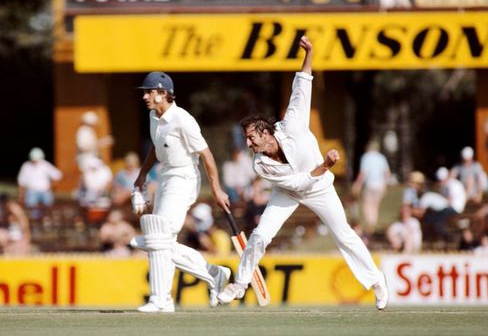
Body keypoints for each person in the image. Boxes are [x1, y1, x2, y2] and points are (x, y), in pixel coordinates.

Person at [217, 36, 388, 310]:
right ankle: (239, 284)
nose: (248, 144)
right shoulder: (260, 164)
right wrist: (326, 165)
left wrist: (309, 52)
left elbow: (302, 85)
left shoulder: (293, 123)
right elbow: (296, 181)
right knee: (260, 235)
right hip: (288, 192)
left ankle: (376, 282)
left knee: (343, 233)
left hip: (320, 188)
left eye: (250, 138)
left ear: (264, 132)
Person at [129, 71, 231, 313]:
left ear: (163, 93)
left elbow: (206, 155)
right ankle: (214, 273)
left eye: (150, 91)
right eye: (145, 92)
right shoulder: (154, 116)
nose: (145, 96)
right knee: (163, 242)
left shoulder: (182, 119)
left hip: (184, 177)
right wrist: (142, 174)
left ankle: (161, 300)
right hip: (165, 176)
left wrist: (216, 189)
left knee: (158, 236)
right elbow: (156, 148)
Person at [352, 140, 391, 236]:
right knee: (375, 206)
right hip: (380, 185)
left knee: (367, 206)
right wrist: (386, 184)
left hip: (370, 184)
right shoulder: (382, 157)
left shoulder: (366, 157)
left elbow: (363, 173)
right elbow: (387, 173)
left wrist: (357, 184)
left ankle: (371, 226)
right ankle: (372, 225)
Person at [17, 147, 62, 227]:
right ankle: (36, 224)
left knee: (48, 206)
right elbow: (21, 182)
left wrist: (51, 186)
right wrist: (21, 195)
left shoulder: (45, 165)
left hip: (44, 190)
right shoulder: (26, 166)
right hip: (32, 191)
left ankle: (47, 222)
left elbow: (58, 176)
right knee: (32, 207)